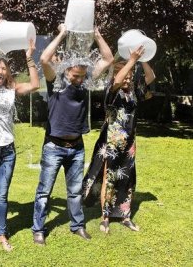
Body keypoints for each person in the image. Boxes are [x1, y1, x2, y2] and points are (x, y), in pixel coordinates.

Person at [31, 24, 114, 244]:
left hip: (76, 147)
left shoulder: (85, 83)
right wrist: (62, 33)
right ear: (67, 71)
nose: (79, 79)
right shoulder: (55, 83)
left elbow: (108, 59)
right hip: (53, 146)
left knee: (75, 191)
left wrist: (97, 35)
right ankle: (38, 229)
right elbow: (45, 59)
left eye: (82, 76)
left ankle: (77, 225)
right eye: (76, 75)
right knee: (44, 191)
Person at [0, 13, 40, 256]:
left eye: (5, 68)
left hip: (8, 151)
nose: (1, 70)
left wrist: (29, 58)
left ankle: (1, 234)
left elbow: (34, 85)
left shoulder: (12, 89)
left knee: (2, 197)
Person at [82, 46, 155, 233]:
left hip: (130, 143)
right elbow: (116, 81)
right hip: (112, 143)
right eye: (126, 75)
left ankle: (125, 215)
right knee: (110, 177)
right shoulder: (112, 92)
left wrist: (144, 58)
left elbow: (151, 77)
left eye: (131, 75)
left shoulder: (134, 92)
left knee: (127, 178)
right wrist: (130, 60)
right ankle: (105, 216)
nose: (128, 79)